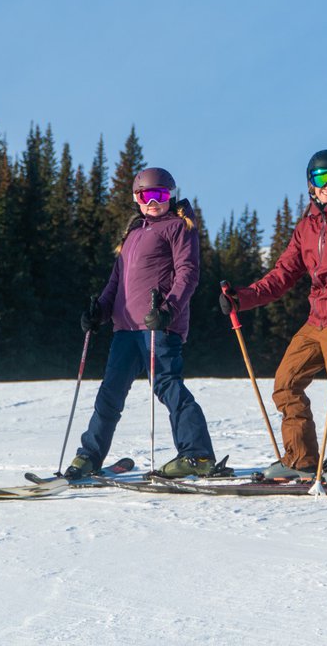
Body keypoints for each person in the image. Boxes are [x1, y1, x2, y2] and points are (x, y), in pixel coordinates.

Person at [220, 149, 327, 486]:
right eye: (322, 179)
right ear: (311, 184)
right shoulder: (306, 227)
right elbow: (282, 274)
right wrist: (242, 298)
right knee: (286, 383)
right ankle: (301, 461)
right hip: (317, 319)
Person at [68, 167, 219, 479]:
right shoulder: (133, 233)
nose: (153, 202)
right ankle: (89, 457)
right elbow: (116, 282)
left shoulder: (178, 227)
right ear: (136, 198)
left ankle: (198, 454)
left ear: (171, 196)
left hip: (158, 325)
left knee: (167, 385)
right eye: (145, 195)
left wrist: (168, 310)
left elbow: (188, 273)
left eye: (160, 195)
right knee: (109, 394)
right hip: (126, 329)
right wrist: (100, 311)